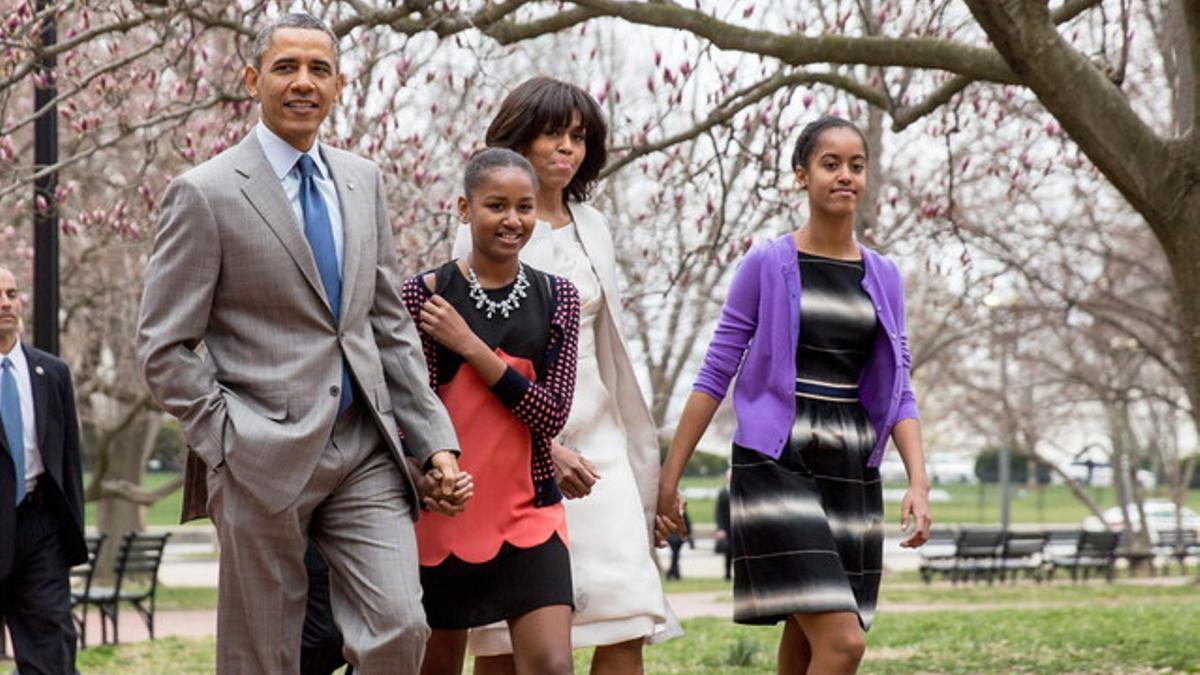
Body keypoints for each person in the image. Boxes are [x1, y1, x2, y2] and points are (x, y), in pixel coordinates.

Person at [135, 14, 471, 673]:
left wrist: (434, 440)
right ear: (253, 79)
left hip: (364, 447)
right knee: (264, 653)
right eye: (286, 67)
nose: (303, 82)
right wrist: (227, 437)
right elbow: (163, 346)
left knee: (400, 627)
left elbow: (387, 326)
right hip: (259, 452)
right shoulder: (204, 193)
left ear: (340, 84)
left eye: (319, 69)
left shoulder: (362, 180)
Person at [656, 116, 933, 674]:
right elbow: (716, 372)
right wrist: (669, 478)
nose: (845, 176)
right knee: (843, 642)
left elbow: (899, 386)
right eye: (831, 164)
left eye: (856, 166)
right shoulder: (767, 263)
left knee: (807, 642)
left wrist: (919, 481)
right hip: (775, 461)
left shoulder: (883, 276)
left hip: (852, 466)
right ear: (801, 176)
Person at [453, 76, 675, 675]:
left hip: (602, 444)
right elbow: (472, 363)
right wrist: (545, 448)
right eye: (552, 133)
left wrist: (639, 458)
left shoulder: (592, 224)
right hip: (517, 452)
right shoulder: (485, 225)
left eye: (578, 136)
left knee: (627, 613)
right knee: (506, 635)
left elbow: (609, 348)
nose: (566, 148)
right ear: (518, 138)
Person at [402, 148, 579, 675]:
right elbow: (406, 407)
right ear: (464, 208)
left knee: (552, 665)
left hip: (531, 516)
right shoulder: (425, 295)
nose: (512, 220)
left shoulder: (557, 297)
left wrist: (470, 346)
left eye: (524, 207)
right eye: (495, 205)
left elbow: (552, 415)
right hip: (441, 517)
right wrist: (426, 475)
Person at [0, 267, 86, 675]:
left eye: (12, 293)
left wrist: (69, 533)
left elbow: (69, 462)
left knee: (51, 654)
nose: (5, 303)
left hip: (39, 530)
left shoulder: (52, 373)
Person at [664, 507, 693, 581]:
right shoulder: (680, 508)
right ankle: (674, 573)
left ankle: (673, 573)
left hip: (674, 536)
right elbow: (686, 522)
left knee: (675, 555)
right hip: (676, 537)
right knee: (675, 555)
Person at [714, 470, 733, 581]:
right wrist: (720, 528)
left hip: (738, 526)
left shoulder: (740, 490)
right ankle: (727, 574)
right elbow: (719, 511)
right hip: (727, 527)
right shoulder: (723, 493)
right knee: (728, 552)